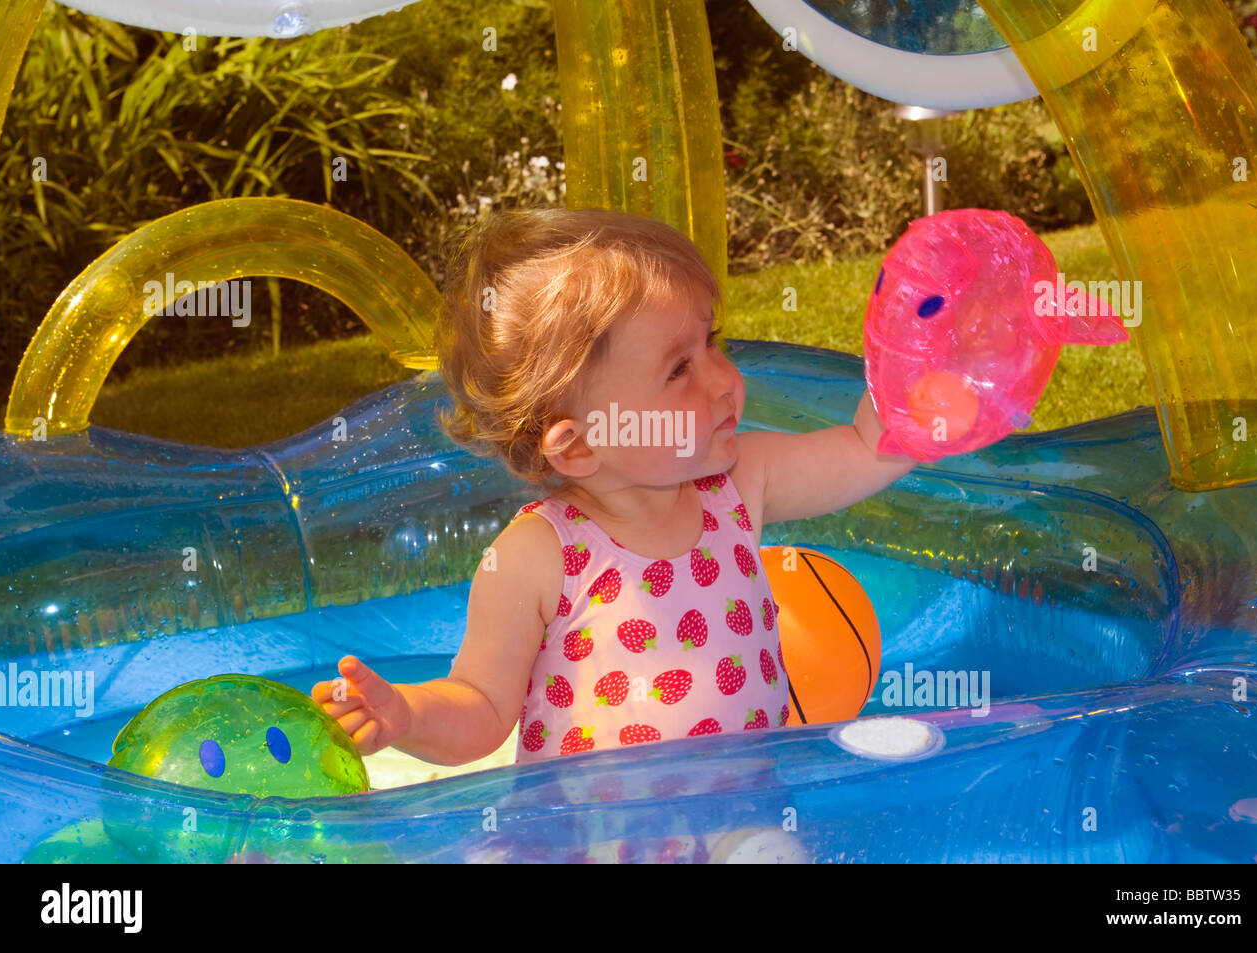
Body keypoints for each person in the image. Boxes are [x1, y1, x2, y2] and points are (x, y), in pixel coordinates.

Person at [311, 206, 919, 771]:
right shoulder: (538, 556)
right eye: (678, 369)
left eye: (712, 343)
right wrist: (407, 714)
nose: (723, 381)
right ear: (578, 446)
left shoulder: (736, 486)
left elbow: (865, 452)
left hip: (740, 824)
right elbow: (482, 706)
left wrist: (927, 384)